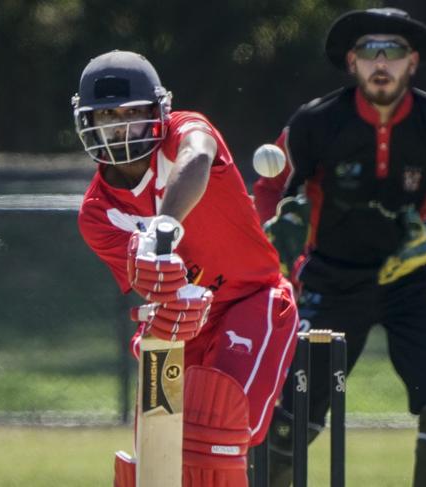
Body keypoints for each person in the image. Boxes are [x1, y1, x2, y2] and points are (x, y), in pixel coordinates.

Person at [253, 8, 426, 487]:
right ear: (352, 63)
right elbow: (268, 190)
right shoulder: (315, 123)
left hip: (413, 279)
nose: (382, 64)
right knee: (290, 419)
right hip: (330, 279)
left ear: (413, 62)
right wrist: (280, 240)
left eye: (394, 52)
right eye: (369, 53)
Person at [72, 50, 299, 487]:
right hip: (178, 321)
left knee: (216, 429)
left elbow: (196, 158)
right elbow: (153, 283)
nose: (120, 126)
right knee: (157, 458)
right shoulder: (97, 214)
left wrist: (165, 225)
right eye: (107, 116)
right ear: (88, 123)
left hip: (251, 298)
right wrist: (158, 280)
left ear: (159, 112)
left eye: (132, 113)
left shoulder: (187, 131)